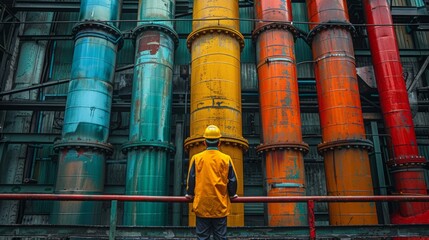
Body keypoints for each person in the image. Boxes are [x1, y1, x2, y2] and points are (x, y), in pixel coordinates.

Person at [185, 125, 238, 240]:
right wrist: (232, 194)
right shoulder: (226, 158)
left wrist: (190, 193)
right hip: (220, 206)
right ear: (219, 143)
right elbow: (233, 180)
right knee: (220, 237)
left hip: (202, 206)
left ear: (204, 142)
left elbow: (191, 179)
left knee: (202, 237)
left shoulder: (196, 158)